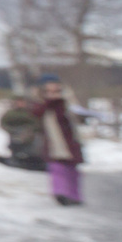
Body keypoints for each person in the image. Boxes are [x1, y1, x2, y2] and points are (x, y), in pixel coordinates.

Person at [36, 75, 86, 206]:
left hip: (70, 138)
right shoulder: (40, 102)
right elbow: (37, 114)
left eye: (55, 84)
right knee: (57, 167)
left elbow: (77, 116)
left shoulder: (68, 100)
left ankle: (74, 196)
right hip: (53, 140)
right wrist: (50, 100)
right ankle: (61, 193)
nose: (54, 88)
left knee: (72, 169)